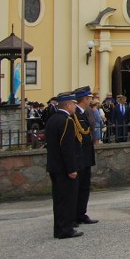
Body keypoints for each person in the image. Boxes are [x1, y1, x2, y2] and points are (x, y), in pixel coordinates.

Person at [45, 91, 82, 239]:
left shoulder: (52, 119)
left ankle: (59, 228)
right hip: (64, 167)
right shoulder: (67, 121)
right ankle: (65, 229)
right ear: (68, 105)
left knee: (59, 199)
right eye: (73, 104)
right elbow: (67, 147)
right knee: (67, 199)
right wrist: (71, 168)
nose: (75, 107)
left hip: (54, 165)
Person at [72, 86, 98, 227]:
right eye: (89, 98)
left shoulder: (84, 112)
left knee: (84, 187)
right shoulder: (74, 114)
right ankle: (74, 216)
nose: (91, 100)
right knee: (77, 188)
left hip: (86, 156)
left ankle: (81, 213)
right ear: (85, 99)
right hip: (79, 157)